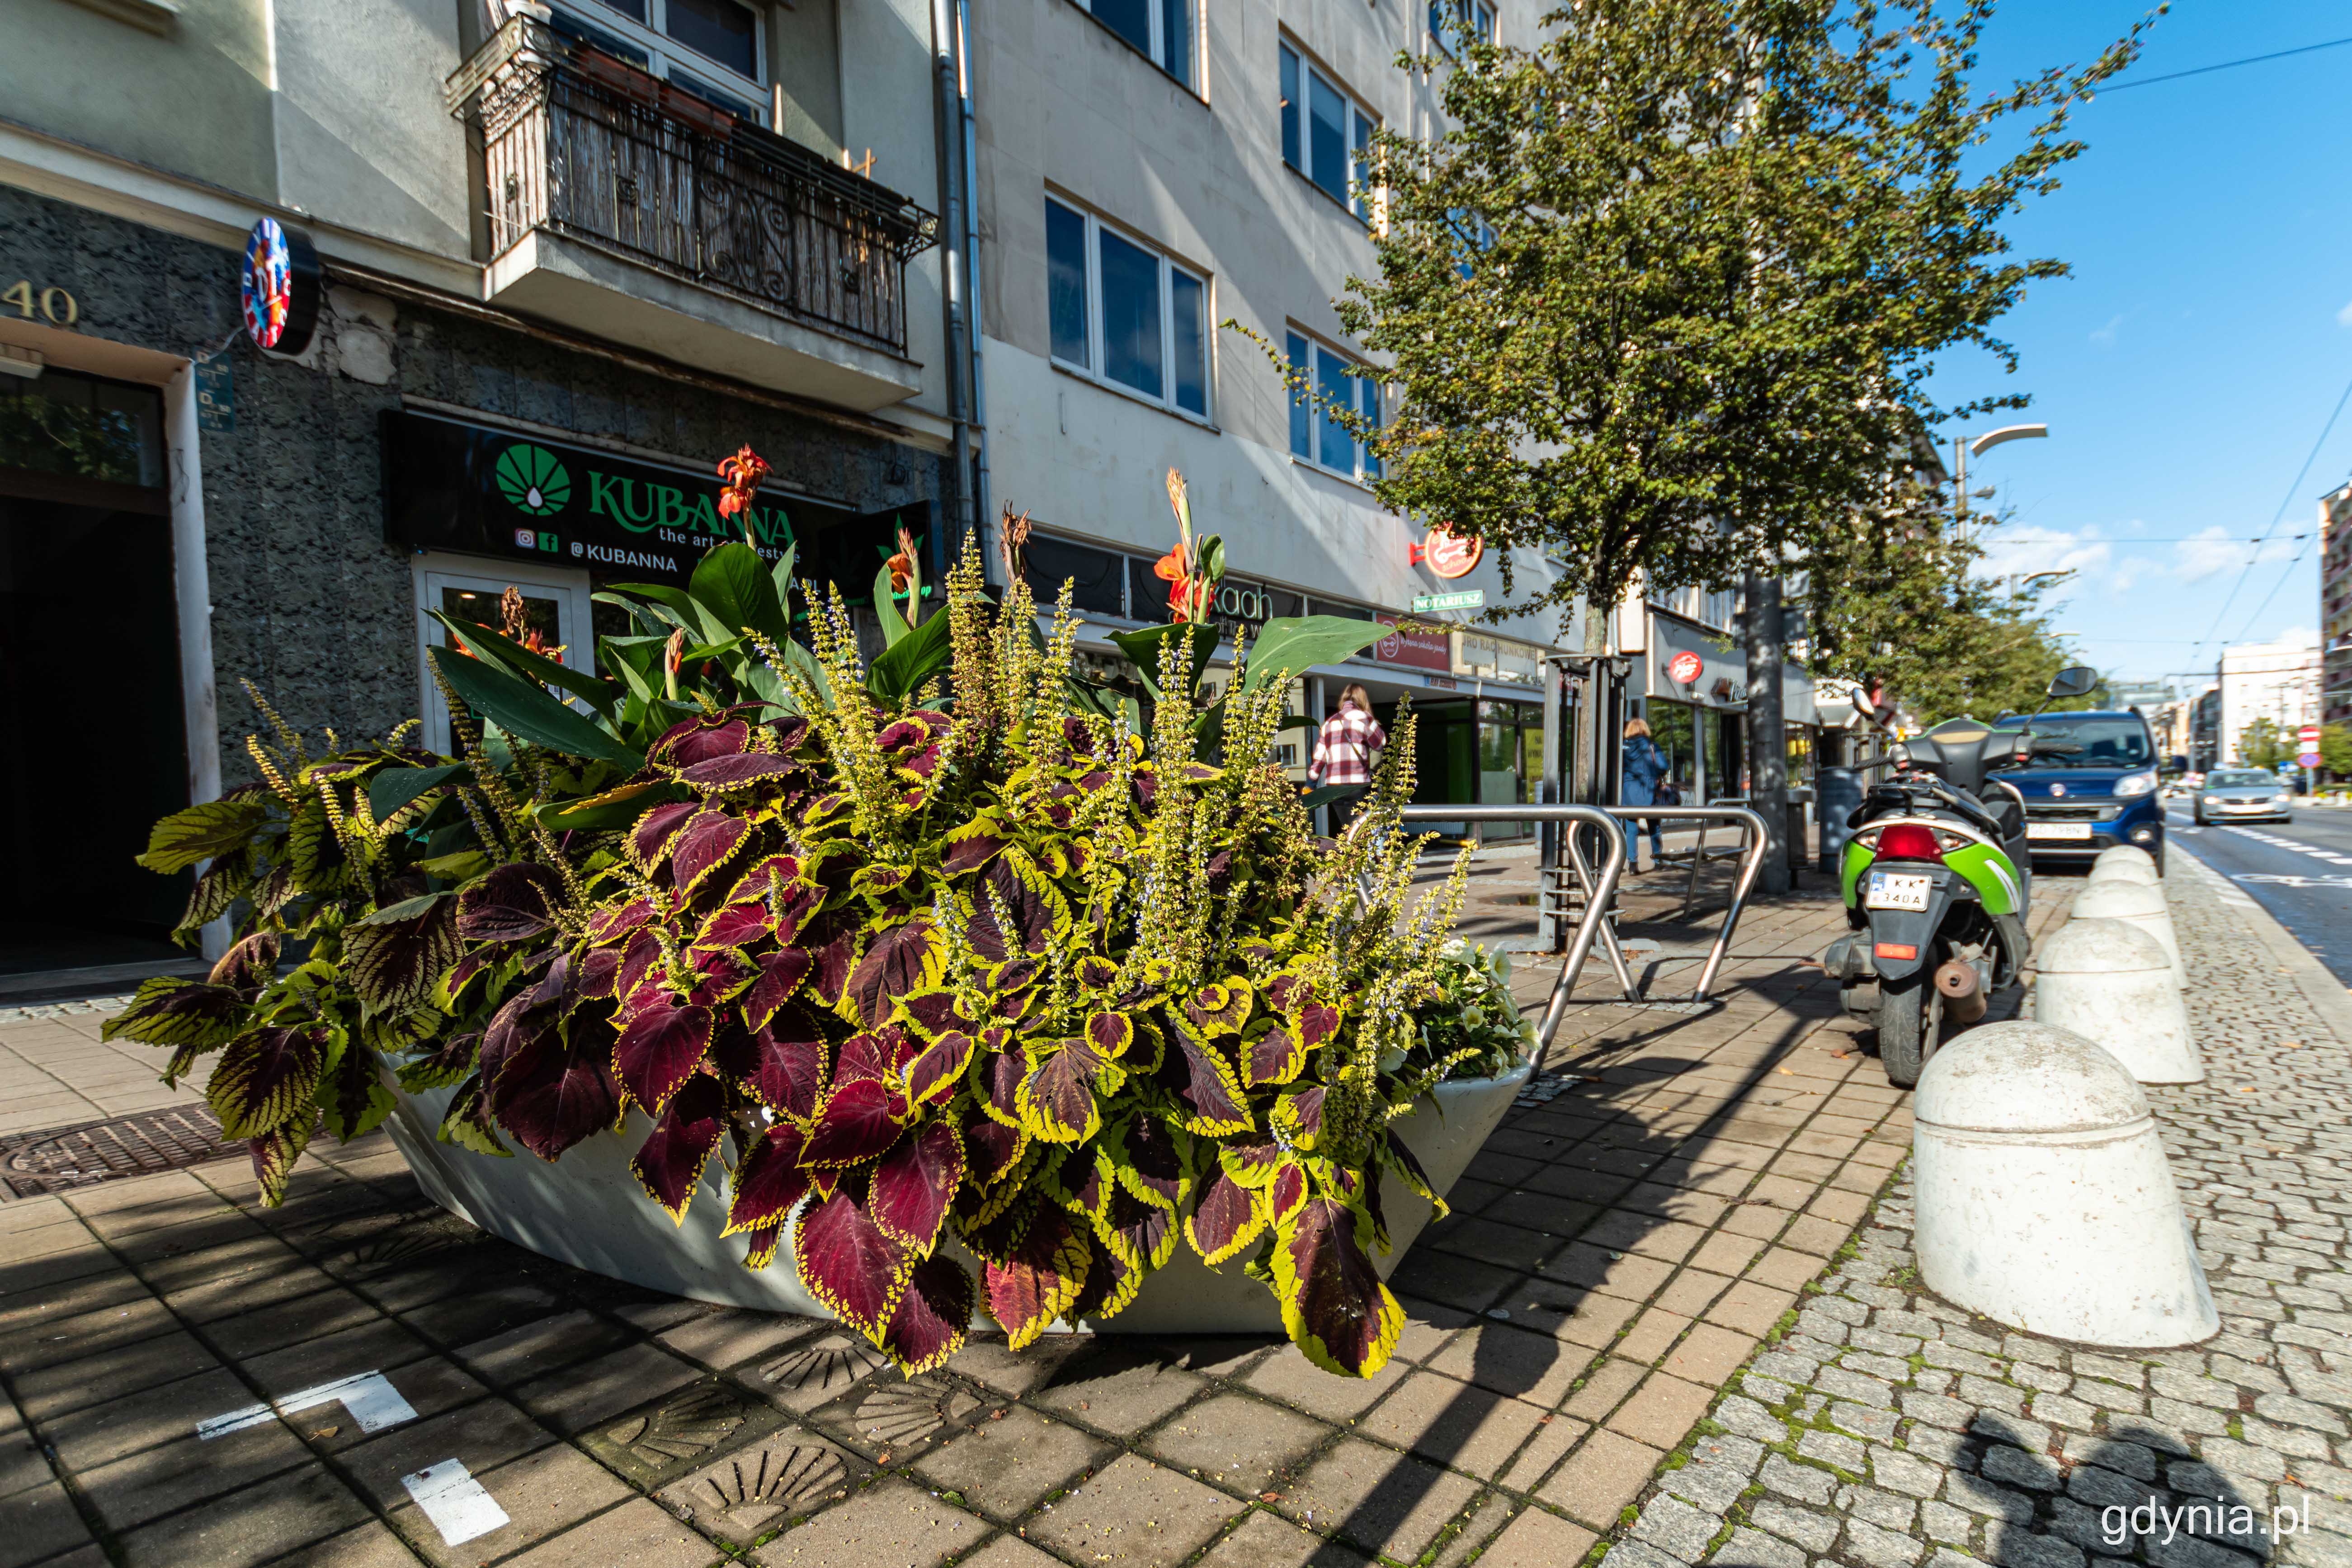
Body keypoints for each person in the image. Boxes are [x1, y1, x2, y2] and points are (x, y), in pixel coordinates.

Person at [1308, 684, 1386, 835]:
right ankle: (1360, 857)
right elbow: (1380, 743)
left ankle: (1348, 856)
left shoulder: (1329, 723)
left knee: (1347, 830)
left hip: (1334, 788)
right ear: (1363, 700)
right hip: (1357, 785)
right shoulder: (1365, 719)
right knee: (1360, 831)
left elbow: (1319, 758)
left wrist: (1310, 784)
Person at [1620, 716, 1668, 870]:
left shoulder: (1623, 748)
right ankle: (1658, 859)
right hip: (1649, 789)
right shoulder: (1652, 746)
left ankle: (1633, 863)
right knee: (1654, 826)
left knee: (1631, 828)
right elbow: (1663, 766)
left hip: (1629, 790)